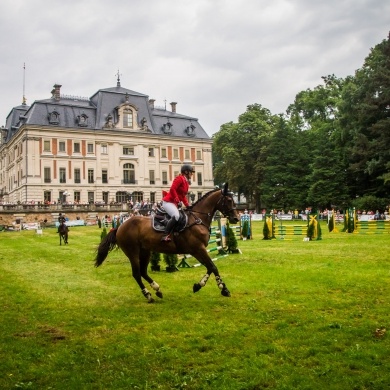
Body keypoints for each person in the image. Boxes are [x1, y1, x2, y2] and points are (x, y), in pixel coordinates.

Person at [161, 164, 195, 242]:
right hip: (168, 202)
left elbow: (183, 196)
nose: (192, 174)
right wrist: (177, 200)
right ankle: (165, 235)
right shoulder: (179, 178)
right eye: (191, 172)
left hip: (174, 203)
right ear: (186, 172)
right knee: (176, 216)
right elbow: (172, 189)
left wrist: (187, 205)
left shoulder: (186, 183)